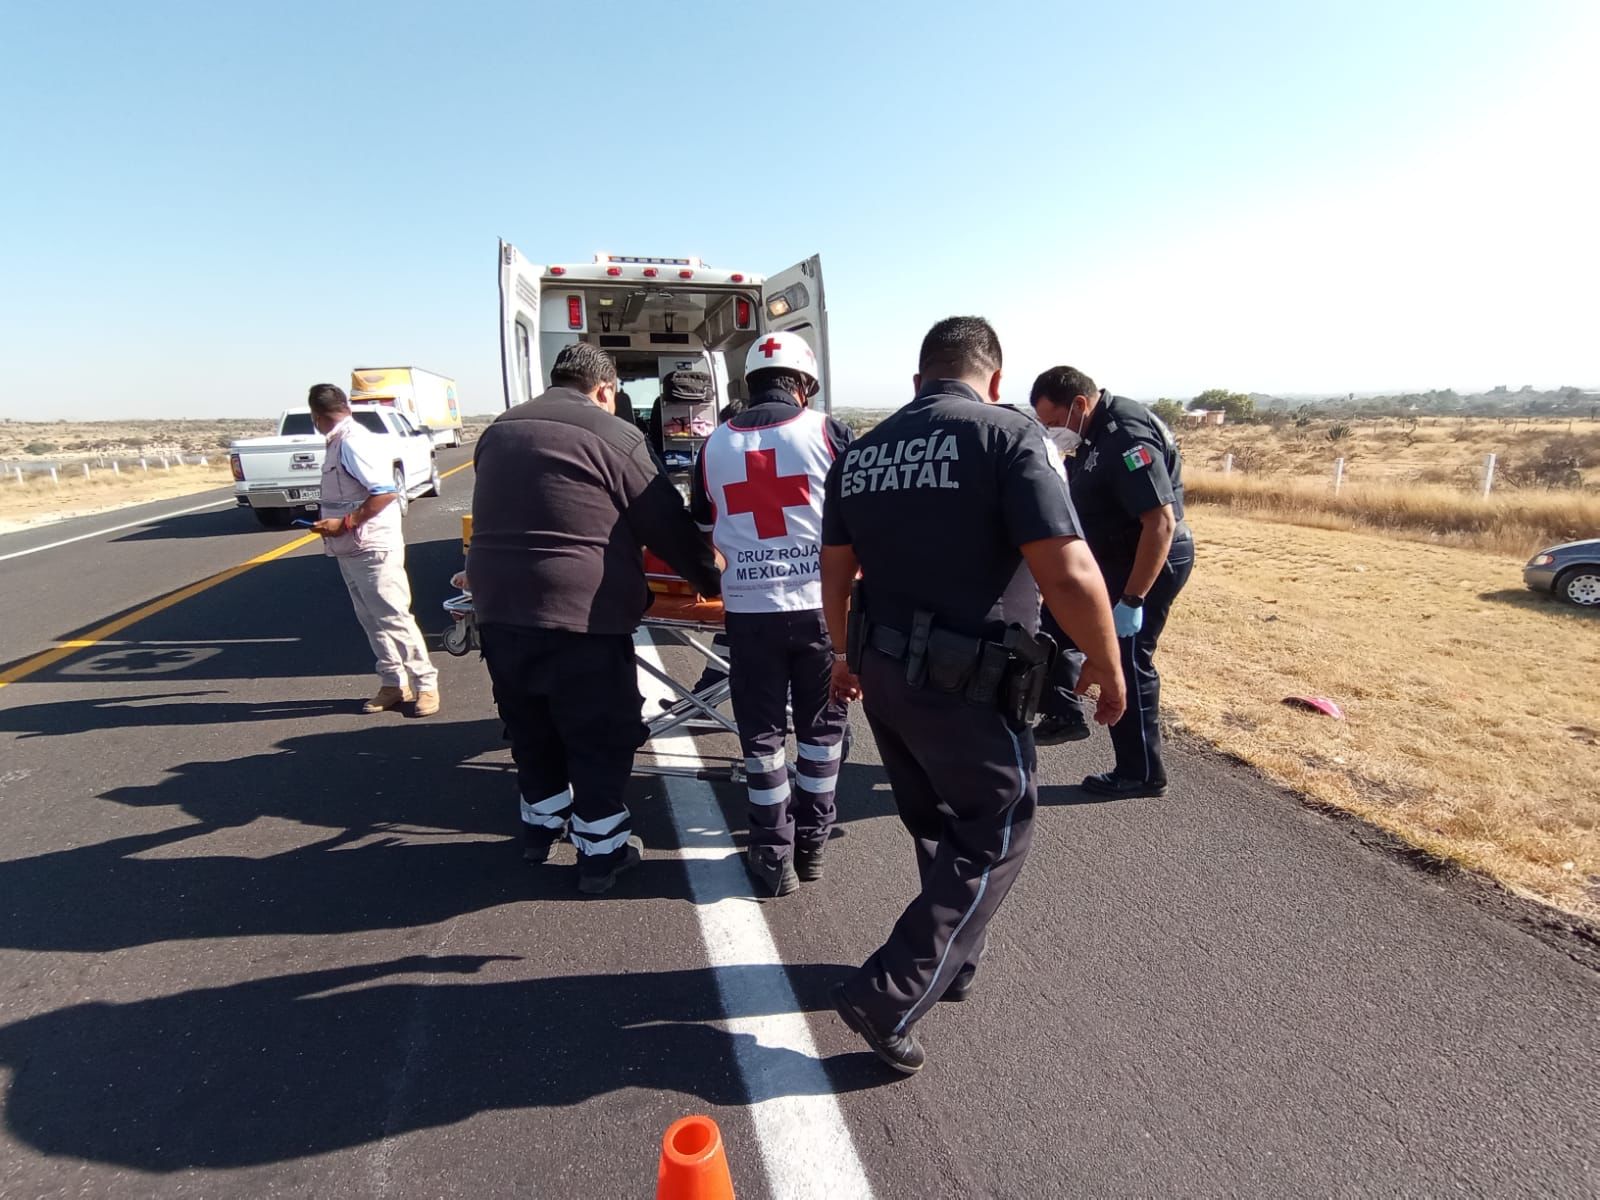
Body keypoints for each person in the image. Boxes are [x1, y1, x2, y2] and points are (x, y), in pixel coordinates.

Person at [819, 317, 1126, 1073]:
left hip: (884, 673)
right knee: (995, 830)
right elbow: (1067, 572)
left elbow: (834, 568)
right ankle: (891, 991)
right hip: (968, 683)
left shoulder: (861, 451)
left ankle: (949, 963)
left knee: (936, 824)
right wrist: (1107, 660)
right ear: (993, 378)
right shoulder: (1007, 437)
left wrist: (839, 653)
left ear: (918, 381)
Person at [467, 344, 721, 895]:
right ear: (605, 390)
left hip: (499, 608)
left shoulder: (499, 430)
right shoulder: (614, 435)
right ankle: (602, 855)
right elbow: (665, 524)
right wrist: (710, 580)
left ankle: (540, 829)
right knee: (598, 734)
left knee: (530, 724)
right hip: (579, 616)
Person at [691, 331, 853, 897]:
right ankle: (812, 845)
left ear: (748, 383)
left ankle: (771, 853)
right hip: (819, 609)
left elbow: (706, 533)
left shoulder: (712, 446)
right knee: (822, 733)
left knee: (761, 738)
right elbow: (858, 518)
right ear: (803, 384)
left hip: (748, 613)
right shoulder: (828, 432)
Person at [1028, 366, 1194, 798]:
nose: (1050, 432)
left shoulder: (1125, 435)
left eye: (1051, 422)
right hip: (1111, 559)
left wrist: (1133, 600)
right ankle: (1063, 712)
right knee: (1049, 627)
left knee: (1125, 659)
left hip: (1146, 562)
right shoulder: (1091, 433)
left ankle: (1141, 773)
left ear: (1080, 404)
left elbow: (1160, 522)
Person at [307, 384, 440, 718]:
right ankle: (393, 682)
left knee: (393, 616)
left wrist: (345, 522)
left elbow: (383, 492)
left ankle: (425, 684)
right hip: (350, 547)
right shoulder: (338, 440)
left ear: (317, 416)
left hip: (371, 545)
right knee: (370, 618)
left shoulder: (353, 442)